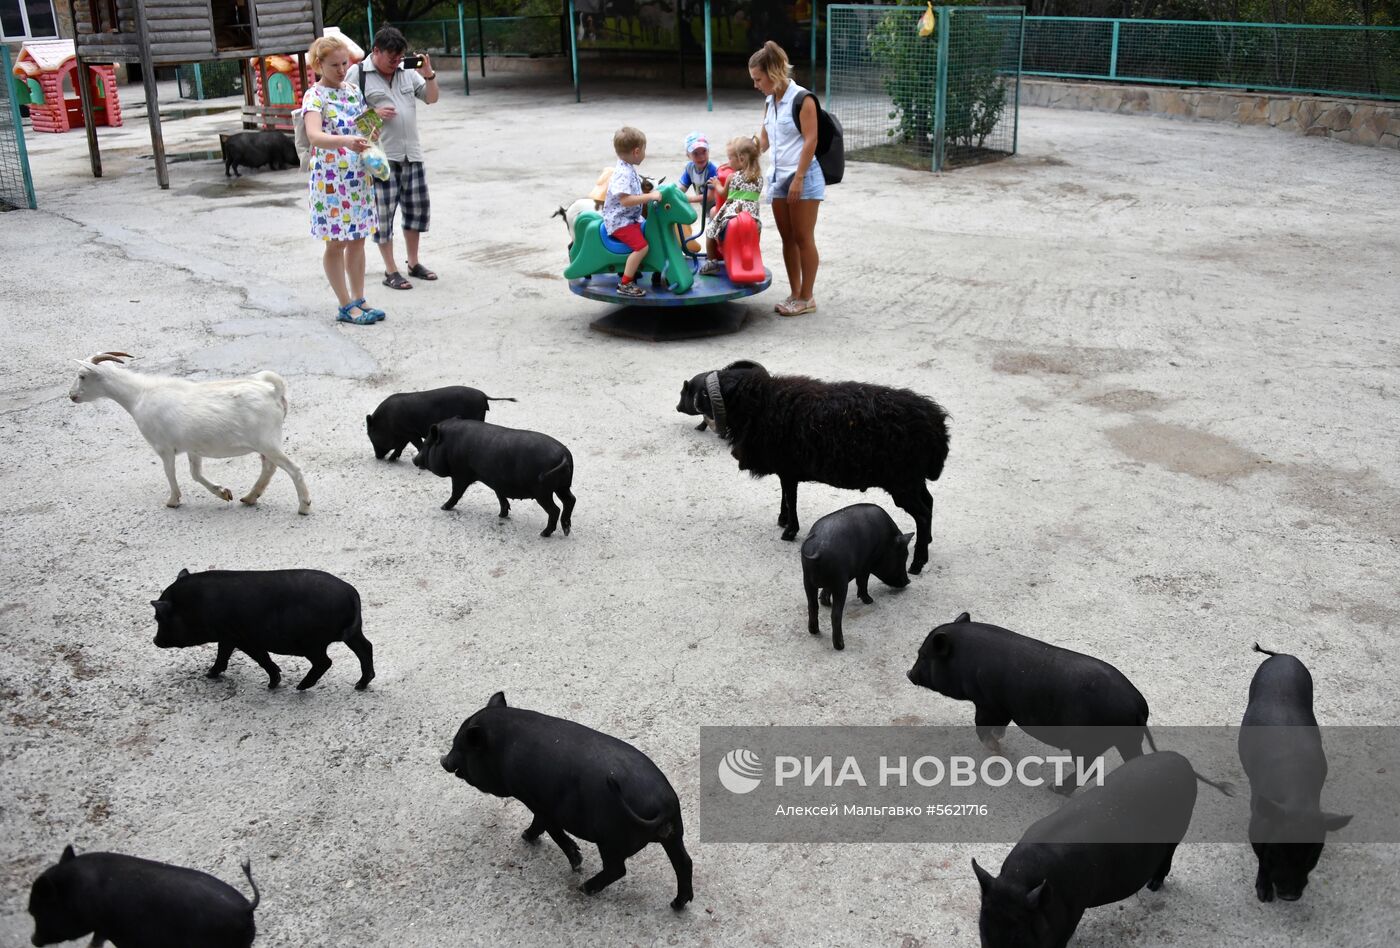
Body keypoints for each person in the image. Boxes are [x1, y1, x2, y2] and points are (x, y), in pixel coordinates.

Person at [348, 26, 440, 292]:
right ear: (376, 51)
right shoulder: (358, 75)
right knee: (383, 216)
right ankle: (391, 270)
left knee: (416, 212)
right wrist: (374, 113)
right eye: (391, 57)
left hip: (412, 154)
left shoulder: (407, 72)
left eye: (399, 57)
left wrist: (429, 75)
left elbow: (432, 99)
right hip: (380, 159)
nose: (396, 62)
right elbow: (349, 120)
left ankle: (413, 263)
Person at [302, 35, 382, 325]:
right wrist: (346, 140)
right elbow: (314, 135)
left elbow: (368, 125)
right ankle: (345, 304)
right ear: (318, 64)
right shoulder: (315, 95)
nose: (340, 69)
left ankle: (359, 299)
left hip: (358, 176)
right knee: (336, 242)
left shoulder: (352, 90)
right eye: (334, 64)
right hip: (331, 179)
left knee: (358, 239)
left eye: (344, 63)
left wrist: (373, 132)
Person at [750, 39, 823, 317]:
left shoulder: (803, 99)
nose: (756, 85)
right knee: (787, 238)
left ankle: (807, 297)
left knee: (804, 237)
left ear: (773, 74)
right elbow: (765, 140)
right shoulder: (770, 101)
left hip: (802, 176)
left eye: (758, 79)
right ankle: (794, 293)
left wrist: (799, 178)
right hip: (778, 176)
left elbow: (811, 140)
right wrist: (743, 154)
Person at [602, 126, 662, 299]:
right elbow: (625, 200)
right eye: (644, 149)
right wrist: (650, 196)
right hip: (620, 221)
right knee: (642, 247)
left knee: (651, 230)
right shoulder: (623, 173)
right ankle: (626, 283)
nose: (645, 153)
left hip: (630, 217)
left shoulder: (627, 167)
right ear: (636, 151)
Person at [698, 136, 764, 276]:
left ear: (741, 159)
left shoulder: (731, 177)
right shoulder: (759, 177)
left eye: (730, 158)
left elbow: (723, 193)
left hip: (731, 215)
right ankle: (751, 258)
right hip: (753, 220)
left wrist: (716, 184)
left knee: (710, 231)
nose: (728, 162)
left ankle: (712, 262)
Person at [678, 131, 718, 208]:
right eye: (695, 153)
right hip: (705, 207)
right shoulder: (690, 168)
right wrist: (674, 194)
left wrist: (688, 199)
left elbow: (710, 196)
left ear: (708, 151)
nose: (701, 157)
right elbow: (682, 188)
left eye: (704, 152)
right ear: (688, 155)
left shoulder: (712, 170)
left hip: (717, 207)